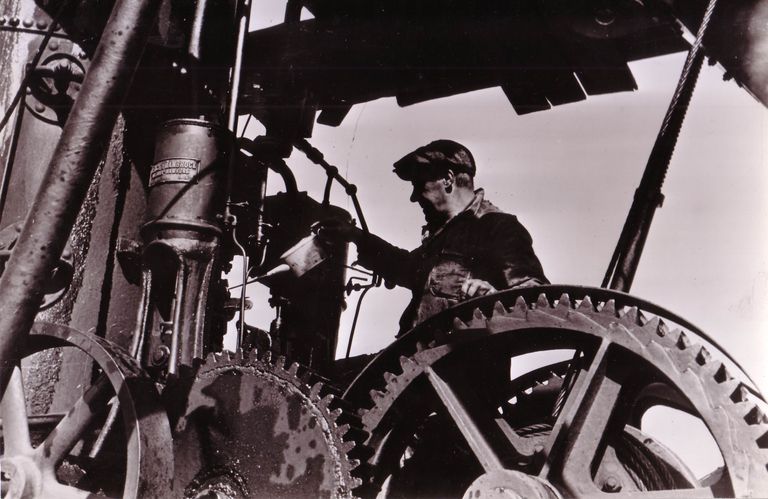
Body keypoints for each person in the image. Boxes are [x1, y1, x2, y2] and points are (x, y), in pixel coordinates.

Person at [320, 139, 548, 337]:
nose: (413, 197)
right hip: (417, 363)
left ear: (448, 179)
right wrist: (355, 236)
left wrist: (493, 298)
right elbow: (404, 266)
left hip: (462, 368)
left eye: (419, 185)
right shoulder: (442, 237)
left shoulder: (498, 227)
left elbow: (536, 303)